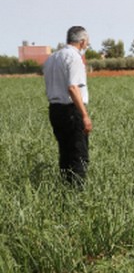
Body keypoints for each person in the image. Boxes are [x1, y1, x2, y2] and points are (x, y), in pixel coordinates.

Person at [43, 26, 92, 185]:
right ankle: (77, 196)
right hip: (71, 110)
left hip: (55, 110)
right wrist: (84, 115)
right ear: (82, 41)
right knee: (79, 156)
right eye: (87, 43)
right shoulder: (74, 57)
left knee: (65, 154)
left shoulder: (52, 58)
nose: (86, 46)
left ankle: (65, 191)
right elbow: (73, 87)